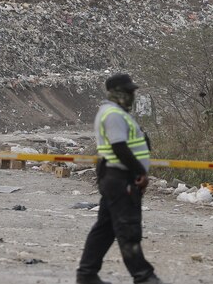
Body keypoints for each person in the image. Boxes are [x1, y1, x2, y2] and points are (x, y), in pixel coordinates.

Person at [76, 73, 158, 284]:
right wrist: (139, 172)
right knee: (128, 229)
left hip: (115, 177)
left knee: (105, 229)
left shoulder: (117, 113)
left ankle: (87, 275)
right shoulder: (113, 114)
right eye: (129, 92)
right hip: (120, 178)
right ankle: (144, 276)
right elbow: (119, 147)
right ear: (117, 93)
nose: (132, 96)